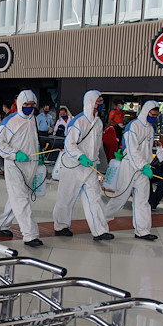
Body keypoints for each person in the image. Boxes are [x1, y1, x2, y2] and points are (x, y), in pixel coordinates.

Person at [53, 90, 113, 241]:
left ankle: (100, 230)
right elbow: (69, 144)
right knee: (66, 197)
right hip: (73, 166)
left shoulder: (98, 122)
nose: (101, 104)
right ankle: (61, 225)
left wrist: (96, 161)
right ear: (91, 102)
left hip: (90, 167)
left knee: (95, 197)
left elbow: (96, 145)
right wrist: (80, 156)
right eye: (98, 102)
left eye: (101, 102)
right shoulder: (78, 122)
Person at [102, 100, 160, 241]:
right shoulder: (133, 126)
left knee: (142, 200)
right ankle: (100, 222)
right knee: (121, 196)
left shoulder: (150, 129)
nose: (153, 117)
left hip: (143, 168)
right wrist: (143, 165)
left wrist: (147, 165)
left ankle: (142, 230)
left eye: (156, 115)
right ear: (146, 112)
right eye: (152, 114)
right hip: (130, 166)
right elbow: (133, 150)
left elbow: (146, 150)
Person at [0, 90, 42, 247]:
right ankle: (30, 235)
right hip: (14, 165)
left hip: (31, 164)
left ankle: (2, 224)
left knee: (17, 197)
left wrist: (39, 155)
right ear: (20, 104)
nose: (29, 108)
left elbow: (34, 140)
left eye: (32, 105)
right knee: (21, 198)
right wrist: (14, 154)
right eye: (26, 104)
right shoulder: (9, 121)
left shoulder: (33, 119)